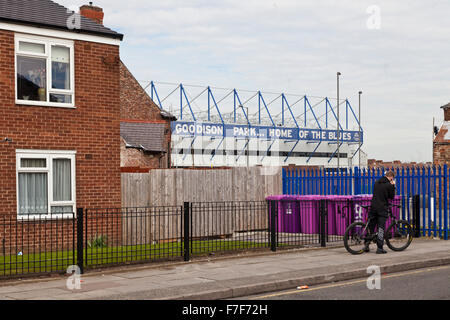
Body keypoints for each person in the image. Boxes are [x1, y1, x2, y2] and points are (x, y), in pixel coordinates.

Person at [364, 171, 396, 254]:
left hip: (373, 207)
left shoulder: (376, 183)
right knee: (381, 228)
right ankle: (379, 248)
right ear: (391, 177)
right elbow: (391, 196)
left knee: (371, 227)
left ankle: (366, 245)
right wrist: (393, 186)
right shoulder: (389, 185)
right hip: (382, 208)